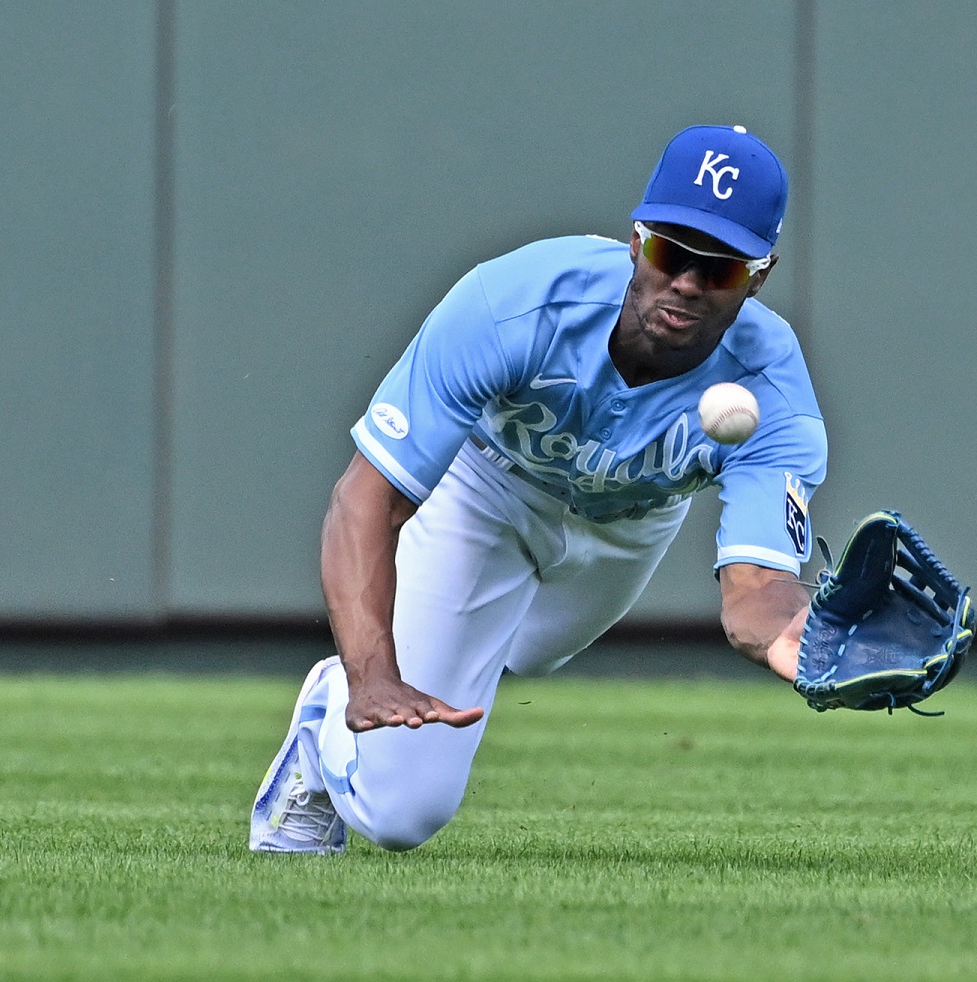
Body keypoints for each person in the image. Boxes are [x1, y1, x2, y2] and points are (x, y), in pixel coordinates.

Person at [250, 124, 828, 854]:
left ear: (759, 277)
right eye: (669, 251)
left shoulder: (774, 392)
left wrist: (800, 638)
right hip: (489, 492)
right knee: (403, 811)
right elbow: (364, 498)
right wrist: (370, 673)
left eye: (717, 269)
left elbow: (753, 594)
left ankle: (441, 647)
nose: (684, 280)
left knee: (529, 651)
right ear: (634, 241)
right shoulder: (516, 303)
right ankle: (325, 710)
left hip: (631, 523)